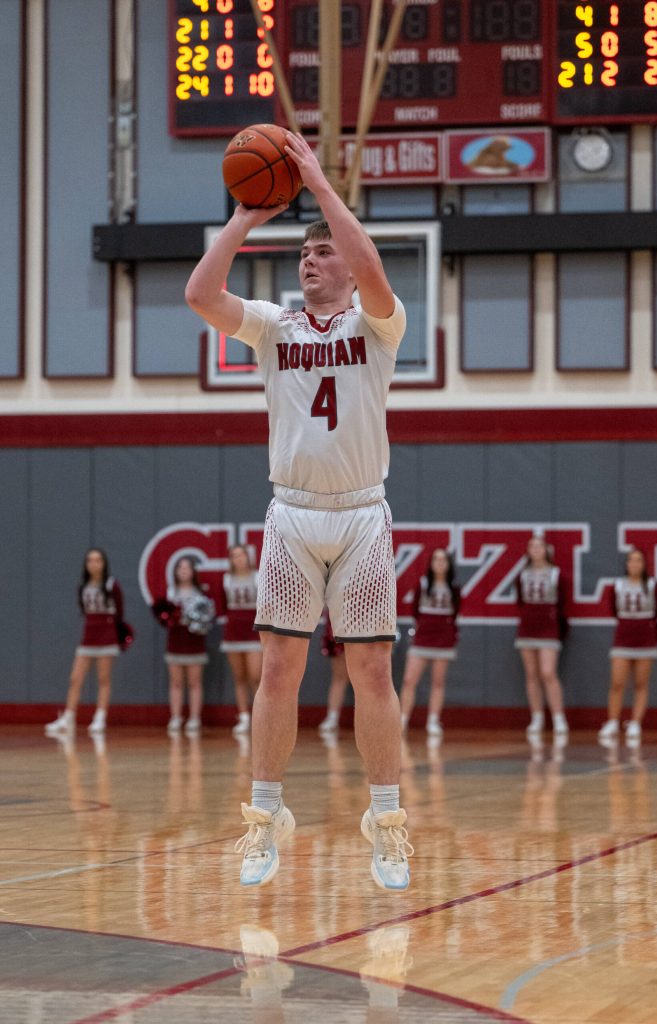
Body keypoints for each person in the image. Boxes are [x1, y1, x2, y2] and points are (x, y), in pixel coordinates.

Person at [185, 130, 413, 890]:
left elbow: (374, 267)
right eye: (304, 256)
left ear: (346, 265)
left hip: (359, 517)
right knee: (278, 668)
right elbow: (199, 295)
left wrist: (316, 185)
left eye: (321, 254)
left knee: (372, 671)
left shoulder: (378, 324)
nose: (308, 262)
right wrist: (246, 216)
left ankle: (385, 822)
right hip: (291, 514)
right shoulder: (274, 325)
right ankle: (263, 818)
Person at [45, 548, 125, 737]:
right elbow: (83, 609)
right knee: (75, 678)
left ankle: (100, 717)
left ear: (104, 563)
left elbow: (120, 612)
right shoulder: (83, 585)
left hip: (106, 636)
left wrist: (113, 633)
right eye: (90, 560)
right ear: (86, 564)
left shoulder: (112, 585)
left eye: (98, 560)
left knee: (103, 679)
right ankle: (68, 716)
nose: (94, 564)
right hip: (88, 636)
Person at [598, 547, 657, 746]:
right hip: (623, 637)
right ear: (626, 564)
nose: (634, 564)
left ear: (644, 564)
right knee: (617, 682)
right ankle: (612, 721)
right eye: (631, 560)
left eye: (639, 560)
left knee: (641, 683)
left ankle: (635, 722)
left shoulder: (653, 586)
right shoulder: (617, 586)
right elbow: (612, 610)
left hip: (645, 638)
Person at [400, 548, 460, 739]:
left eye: (444, 560)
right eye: (436, 559)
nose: (440, 563)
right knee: (409, 680)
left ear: (449, 564)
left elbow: (456, 612)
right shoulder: (423, 584)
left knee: (438, 682)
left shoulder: (454, 587)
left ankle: (433, 721)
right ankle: (402, 719)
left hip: (443, 639)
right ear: (431, 563)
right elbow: (414, 610)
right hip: (423, 638)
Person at [514, 534, 569, 740]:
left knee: (548, 672)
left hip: (549, 628)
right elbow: (520, 600)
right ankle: (536, 716)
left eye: (540, 546)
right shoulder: (522, 575)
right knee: (531, 674)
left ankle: (558, 717)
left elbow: (563, 602)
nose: (536, 550)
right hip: (527, 627)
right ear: (528, 551)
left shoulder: (557, 574)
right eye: (532, 546)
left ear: (546, 550)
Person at [153, 556, 215, 736]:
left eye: (187, 567)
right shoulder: (170, 592)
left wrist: (200, 623)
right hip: (175, 640)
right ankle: (176, 717)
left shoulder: (200, 593)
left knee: (195, 682)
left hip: (194, 641)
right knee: (176, 682)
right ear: (175, 571)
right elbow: (164, 615)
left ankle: (195, 718)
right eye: (180, 567)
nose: (183, 570)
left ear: (193, 572)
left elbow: (207, 616)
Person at [220, 544, 262, 737]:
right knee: (239, 676)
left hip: (253, 630)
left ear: (248, 557)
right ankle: (243, 716)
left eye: (241, 555)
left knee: (256, 675)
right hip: (233, 631)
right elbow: (222, 606)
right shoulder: (226, 579)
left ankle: (260, 716)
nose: (238, 559)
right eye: (234, 556)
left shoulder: (258, 576)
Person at [318, 606, 350, 735]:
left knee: (365, 678)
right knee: (339, 676)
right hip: (339, 620)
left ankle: (372, 718)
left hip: (363, 619)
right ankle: (332, 717)